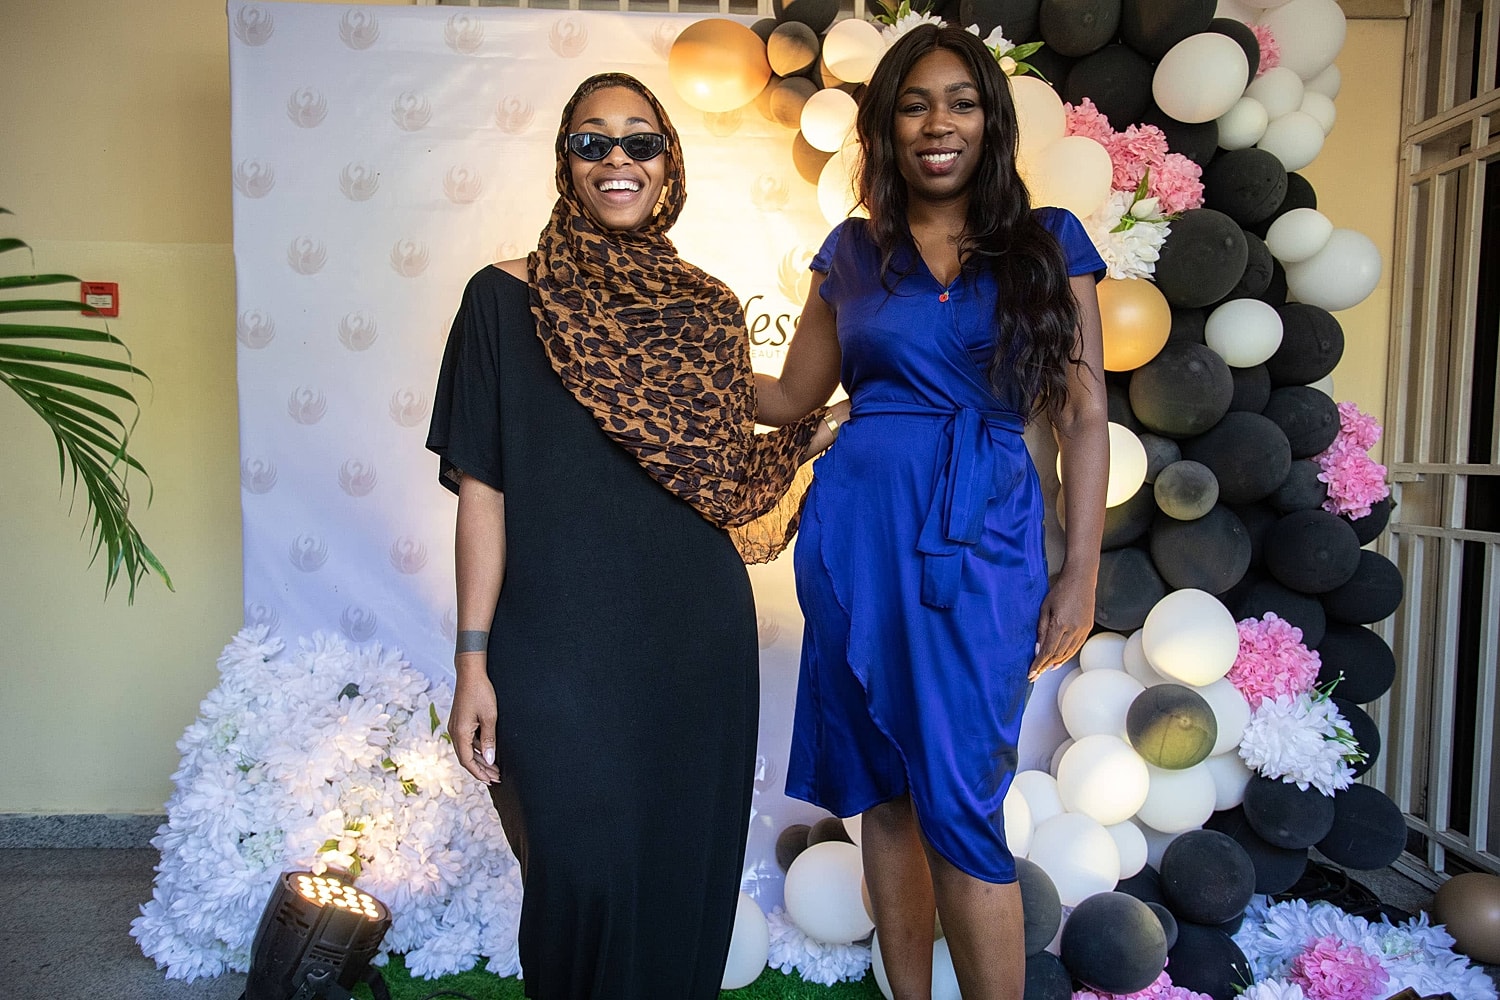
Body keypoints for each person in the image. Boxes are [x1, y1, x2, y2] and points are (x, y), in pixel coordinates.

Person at [426, 73, 834, 999]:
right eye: (593, 141)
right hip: (553, 641)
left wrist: (823, 420)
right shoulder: (500, 300)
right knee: (576, 872)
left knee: (678, 876)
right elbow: (482, 493)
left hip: (692, 636)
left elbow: (728, 462)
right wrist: (472, 662)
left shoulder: (707, 309)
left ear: (668, 163)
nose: (618, 159)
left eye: (640, 141)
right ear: (565, 162)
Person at [756, 25, 1110, 999]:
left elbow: (1083, 416)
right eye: (914, 104)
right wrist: (667, 362)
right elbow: (790, 397)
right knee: (884, 791)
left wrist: (1081, 571)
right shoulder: (851, 251)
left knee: (961, 801)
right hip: (855, 540)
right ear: (886, 125)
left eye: (960, 102)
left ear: (991, 121)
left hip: (984, 540)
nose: (937, 123)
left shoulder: (1049, 243)